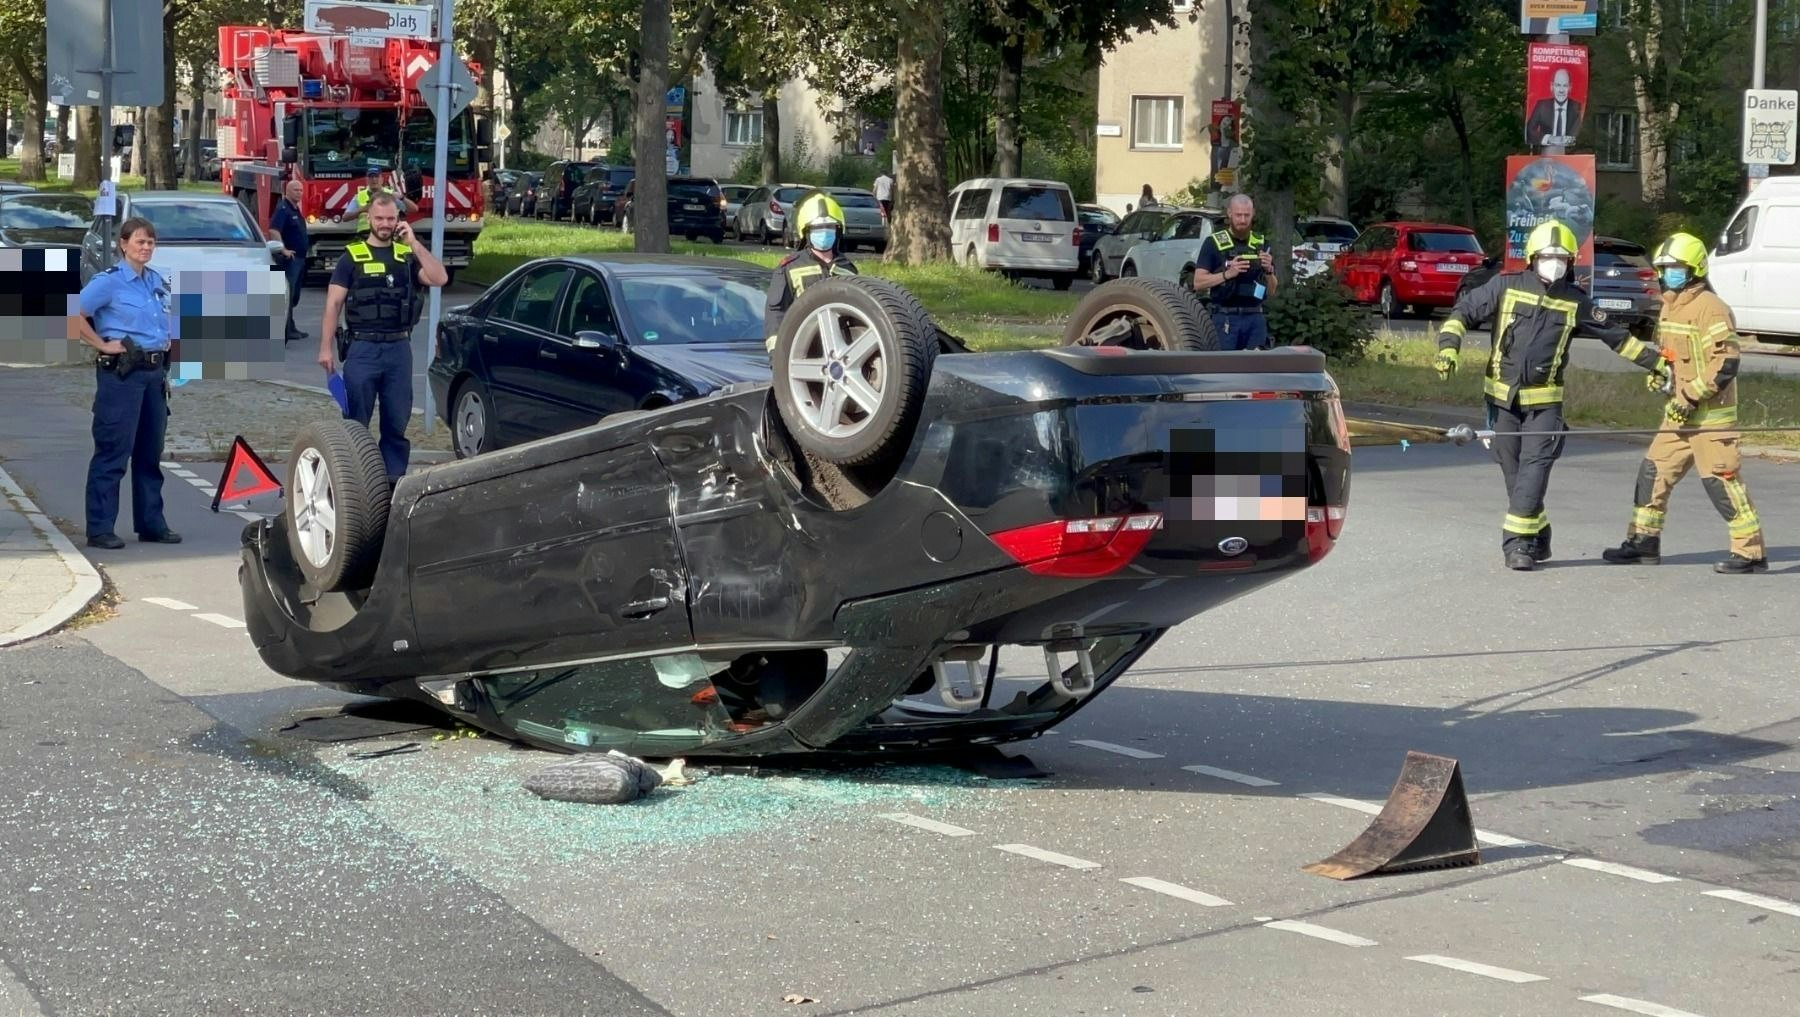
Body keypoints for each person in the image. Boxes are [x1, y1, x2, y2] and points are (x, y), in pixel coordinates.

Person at [1435, 220, 1666, 571]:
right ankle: (1538, 532)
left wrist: (1657, 364)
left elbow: (1618, 338)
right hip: (1502, 403)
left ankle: (1518, 547)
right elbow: (1462, 313)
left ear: (1570, 261)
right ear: (1533, 257)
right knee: (1514, 475)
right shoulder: (1505, 285)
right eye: (1548, 256)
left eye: (1561, 257)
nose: (1554, 262)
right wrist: (1449, 348)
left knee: (1533, 472)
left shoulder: (1575, 301)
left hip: (1545, 405)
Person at [1601, 234, 1767, 574]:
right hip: (1677, 418)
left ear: (1695, 269)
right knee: (1653, 474)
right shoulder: (1669, 304)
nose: (1668, 274)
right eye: (1665, 268)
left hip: (1710, 420)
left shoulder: (1711, 308)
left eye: (1675, 268)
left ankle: (1750, 553)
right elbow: (1670, 354)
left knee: (1721, 483)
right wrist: (1661, 373)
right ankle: (1643, 541)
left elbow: (1725, 364)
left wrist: (1689, 396)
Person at [318, 193, 449, 482]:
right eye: (379, 218)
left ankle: (392, 482)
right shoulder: (351, 257)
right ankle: (353, 481)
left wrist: (414, 243)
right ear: (369, 219)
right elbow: (333, 304)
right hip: (362, 348)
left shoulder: (406, 257)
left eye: (391, 218)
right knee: (356, 422)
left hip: (398, 350)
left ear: (398, 220)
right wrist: (325, 348)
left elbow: (440, 278)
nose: (385, 224)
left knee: (396, 421)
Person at [69, 217, 179, 549]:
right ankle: (100, 528)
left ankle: (151, 523)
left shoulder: (154, 281)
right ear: (123, 244)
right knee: (113, 453)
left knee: (149, 454)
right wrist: (101, 343)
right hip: (122, 375)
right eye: (140, 242)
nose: (145, 248)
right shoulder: (110, 282)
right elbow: (72, 315)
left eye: (150, 243)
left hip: (153, 374)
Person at [764, 192, 859, 350]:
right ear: (806, 232)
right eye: (818, 228)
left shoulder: (847, 268)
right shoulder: (789, 268)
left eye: (829, 227)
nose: (824, 232)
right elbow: (776, 314)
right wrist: (777, 354)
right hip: (803, 348)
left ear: (838, 230)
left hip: (841, 349)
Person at [1192, 193, 1276, 351]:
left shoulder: (1261, 243)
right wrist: (1228, 274)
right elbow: (1198, 282)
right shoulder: (1214, 243)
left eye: (1247, 215)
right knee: (1226, 370)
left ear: (1253, 214)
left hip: (1255, 317)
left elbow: (1272, 290)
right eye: (1238, 215)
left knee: (1258, 371)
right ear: (1229, 213)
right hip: (1225, 318)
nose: (1243, 220)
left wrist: (1269, 271)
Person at [269, 178, 311, 343]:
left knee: (294, 295)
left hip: (300, 258)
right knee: (289, 294)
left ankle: (291, 327)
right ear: (288, 191)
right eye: (296, 190)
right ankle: (286, 330)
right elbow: (273, 230)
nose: (299, 193)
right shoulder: (283, 209)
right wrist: (283, 249)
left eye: (301, 190)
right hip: (290, 259)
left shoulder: (295, 209)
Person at [1527, 68, 1583, 148]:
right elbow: (1529, 130)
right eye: (1558, 85)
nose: (1561, 90)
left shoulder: (1577, 107)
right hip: (1546, 153)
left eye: (1565, 86)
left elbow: (1583, 134)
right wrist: (1549, 139)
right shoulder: (1542, 106)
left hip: (1570, 154)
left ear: (1570, 87)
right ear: (1551, 86)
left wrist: (1571, 140)